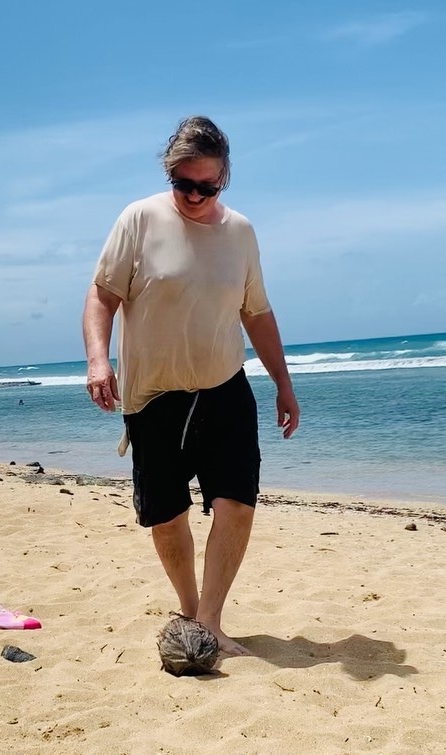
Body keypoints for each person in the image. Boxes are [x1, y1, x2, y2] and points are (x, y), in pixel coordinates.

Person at [83, 115, 299, 655]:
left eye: (209, 186)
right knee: (167, 513)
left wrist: (284, 384)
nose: (197, 196)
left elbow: (258, 313)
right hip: (153, 396)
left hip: (225, 387)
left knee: (237, 502)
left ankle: (210, 622)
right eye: (186, 184)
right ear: (170, 173)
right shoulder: (139, 219)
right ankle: (187, 609)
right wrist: (97, 361)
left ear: (224, 179)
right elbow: (101, 296)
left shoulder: (241, 233)